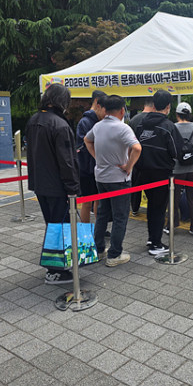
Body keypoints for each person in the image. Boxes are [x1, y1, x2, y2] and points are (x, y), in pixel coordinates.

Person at [26, 83, 80, 285]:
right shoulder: (60, 125)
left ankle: (57, 265)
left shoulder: (34, 120)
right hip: (57, 186)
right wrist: (73, 188)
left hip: (40, 183)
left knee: (52, 225)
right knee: (59, 227)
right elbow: (67, 161)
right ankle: (55, 271)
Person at [84, 95, 142, 267]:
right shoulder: (123, 128)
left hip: (101, 177)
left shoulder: (98, 126)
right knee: (120, 216)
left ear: (104, 109)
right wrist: (128, 166)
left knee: (102, 214)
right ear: (122, 110)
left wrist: (97, 157)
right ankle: (114, 254)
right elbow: (137, 148)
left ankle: (98, 249)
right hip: (119, 178)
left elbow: (87, 140)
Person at [134, 90, 183, 255]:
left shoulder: (140, 124)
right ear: (168, 106)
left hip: (142, 172)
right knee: (159, 208)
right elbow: (176, 151)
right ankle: (155, 244)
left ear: (153, 104)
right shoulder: (168, 127)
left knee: (151, 206)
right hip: (161, 173)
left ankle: (152, 237)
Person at [164, 102, 193, 238]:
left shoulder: (172, 127)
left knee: (174, 198)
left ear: (177, 114)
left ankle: (171, 226)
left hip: (177, 169)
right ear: (189, 114)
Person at [76, 90, 107, 223]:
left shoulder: (100, 121)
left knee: (99, 201)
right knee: (87, 202)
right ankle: (85, 231)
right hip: (86, 169)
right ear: (96, 103)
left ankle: (98, 229)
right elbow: (83, 145)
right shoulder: (85, 122)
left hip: (98, 167)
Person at [129, 97, 156, 215]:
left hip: (136, 158)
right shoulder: (156, 120)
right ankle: (152, 210)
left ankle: (134, 208)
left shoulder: (134, 120)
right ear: (154, 106)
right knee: (152, 188)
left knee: (135, 186)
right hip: (152, 159)